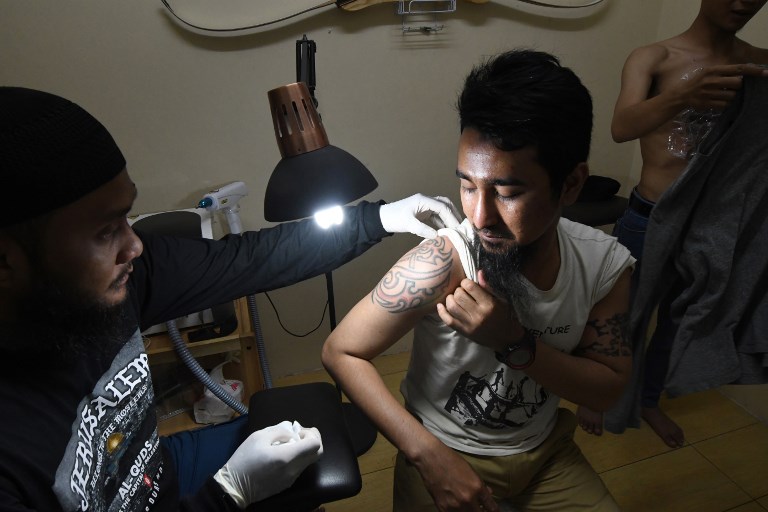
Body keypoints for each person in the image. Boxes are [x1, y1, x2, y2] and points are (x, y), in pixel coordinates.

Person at [0, 86, 461, 511]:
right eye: (105, 232)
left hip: (155, 470)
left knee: (312, 445)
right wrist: (230, 493)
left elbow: (250, 260)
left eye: (126, 218)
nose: (134, 245)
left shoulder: (125, 277)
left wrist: (378, 219)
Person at [322, 49, 635, 512]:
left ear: (571, 184)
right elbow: (341, 352)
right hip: (445, 450)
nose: (480, 216)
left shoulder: (604, 264)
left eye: (507, 192)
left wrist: (513, 342)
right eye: (468, 185)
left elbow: (607, 389)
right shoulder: (443, 261)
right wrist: (428, 456)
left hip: (546, 451)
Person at [576, 0, 768, 447]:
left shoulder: (758, 64)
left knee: (682, 322)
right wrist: (683, 95)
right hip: (651, 215)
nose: (743, 3)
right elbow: (621, 127)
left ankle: (648, 399)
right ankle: (594, 392)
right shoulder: (655, 57)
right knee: (619, 315)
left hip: (714, 225)